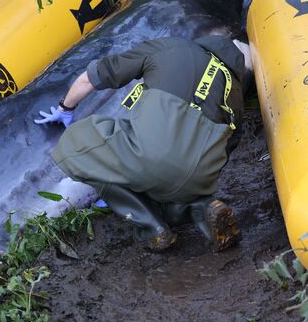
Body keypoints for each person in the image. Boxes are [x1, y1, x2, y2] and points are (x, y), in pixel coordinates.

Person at [35, 33, 253, 252]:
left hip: (152, 157)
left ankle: (152, 228)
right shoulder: (234, 92)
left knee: (80, 143)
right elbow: (228, 148)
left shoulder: (171, 46)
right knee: (172, 179)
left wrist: (65, 108)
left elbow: (90, 78)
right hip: (200, 176)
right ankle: (201, 207)